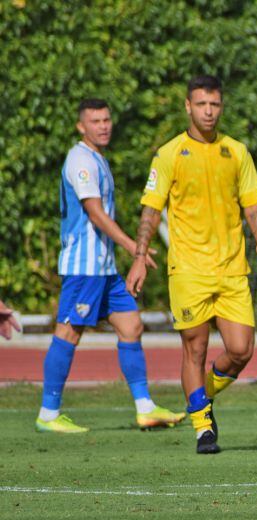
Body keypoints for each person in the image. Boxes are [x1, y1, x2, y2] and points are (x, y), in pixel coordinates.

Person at [126, 75, 257, 455]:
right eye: (202, 104)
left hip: (231, 269)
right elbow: (150, 210)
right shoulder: (170, 153)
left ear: (221, 107)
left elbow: (252, 202)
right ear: (188, 107)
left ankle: (200, 397)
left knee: (242, 350)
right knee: (195, 349)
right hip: (189, 270)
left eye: (215, 105)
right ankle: (202, 427)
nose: (209, 112)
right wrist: (140, 257)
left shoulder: (236, 152)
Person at [36, 98, 185, 434]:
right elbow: (95, 213)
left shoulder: (98, 158)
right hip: (84, 267)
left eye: (106, 119)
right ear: (81, 126)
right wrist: (136, 247)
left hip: (103, 269)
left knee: (131, 325)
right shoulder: (80, 160)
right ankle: (48, 412)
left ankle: (146, 408)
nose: (103, 125)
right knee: (69, 332)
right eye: (95, 121)